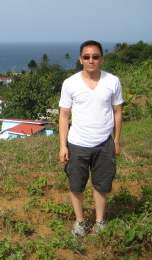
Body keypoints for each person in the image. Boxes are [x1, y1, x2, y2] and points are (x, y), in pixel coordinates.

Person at [58, 40, 123, 237]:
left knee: (102, 184)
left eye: (95, 56)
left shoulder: (112, 81)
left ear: (101, 58)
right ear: (80, 60)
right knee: (76, 184)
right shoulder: (70, 83)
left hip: (104, 142)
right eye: (86, 57)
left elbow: (118, 112)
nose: (91, 60)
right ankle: (79, 222)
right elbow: (63, 115)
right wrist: (63, 145)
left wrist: (117, 140)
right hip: (77, 143)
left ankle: (100, 221)